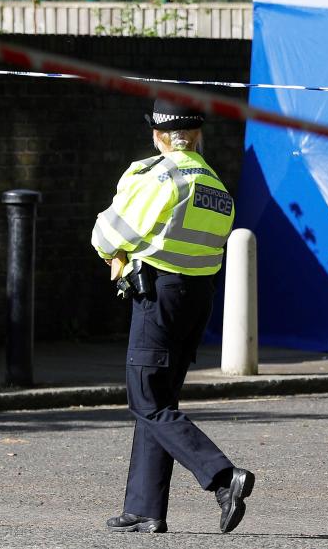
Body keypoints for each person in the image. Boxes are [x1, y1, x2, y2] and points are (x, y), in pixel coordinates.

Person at [91, 98, 254, 534]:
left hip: (159, 296)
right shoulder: (214, 182)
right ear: (195, 135)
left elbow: (109, 233)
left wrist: (112, 250)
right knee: (160, 401)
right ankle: (144, 509)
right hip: (196, 298)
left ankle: (223, 478)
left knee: (145, 398)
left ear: (159, 135)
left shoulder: (162, 176)